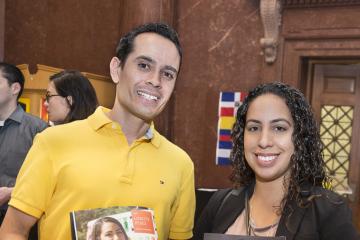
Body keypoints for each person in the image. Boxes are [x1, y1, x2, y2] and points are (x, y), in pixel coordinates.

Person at [0, 22, 195, 240]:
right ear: (116, 69)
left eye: (168, 74)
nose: (155, 81)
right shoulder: (53, 142)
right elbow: (13, 230)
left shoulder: (181, 164)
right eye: (143, 65)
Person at [194, 82, 359, 239]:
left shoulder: (327, 211)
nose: (264, 141)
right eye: (254, 128)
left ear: (299, 137)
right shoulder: (219, 204)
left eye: (279, 128)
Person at [0, 63, 47, 239]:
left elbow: (46, 180)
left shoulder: (38, 129)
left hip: (19, 221)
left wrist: (10, 192)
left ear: (15, 88)